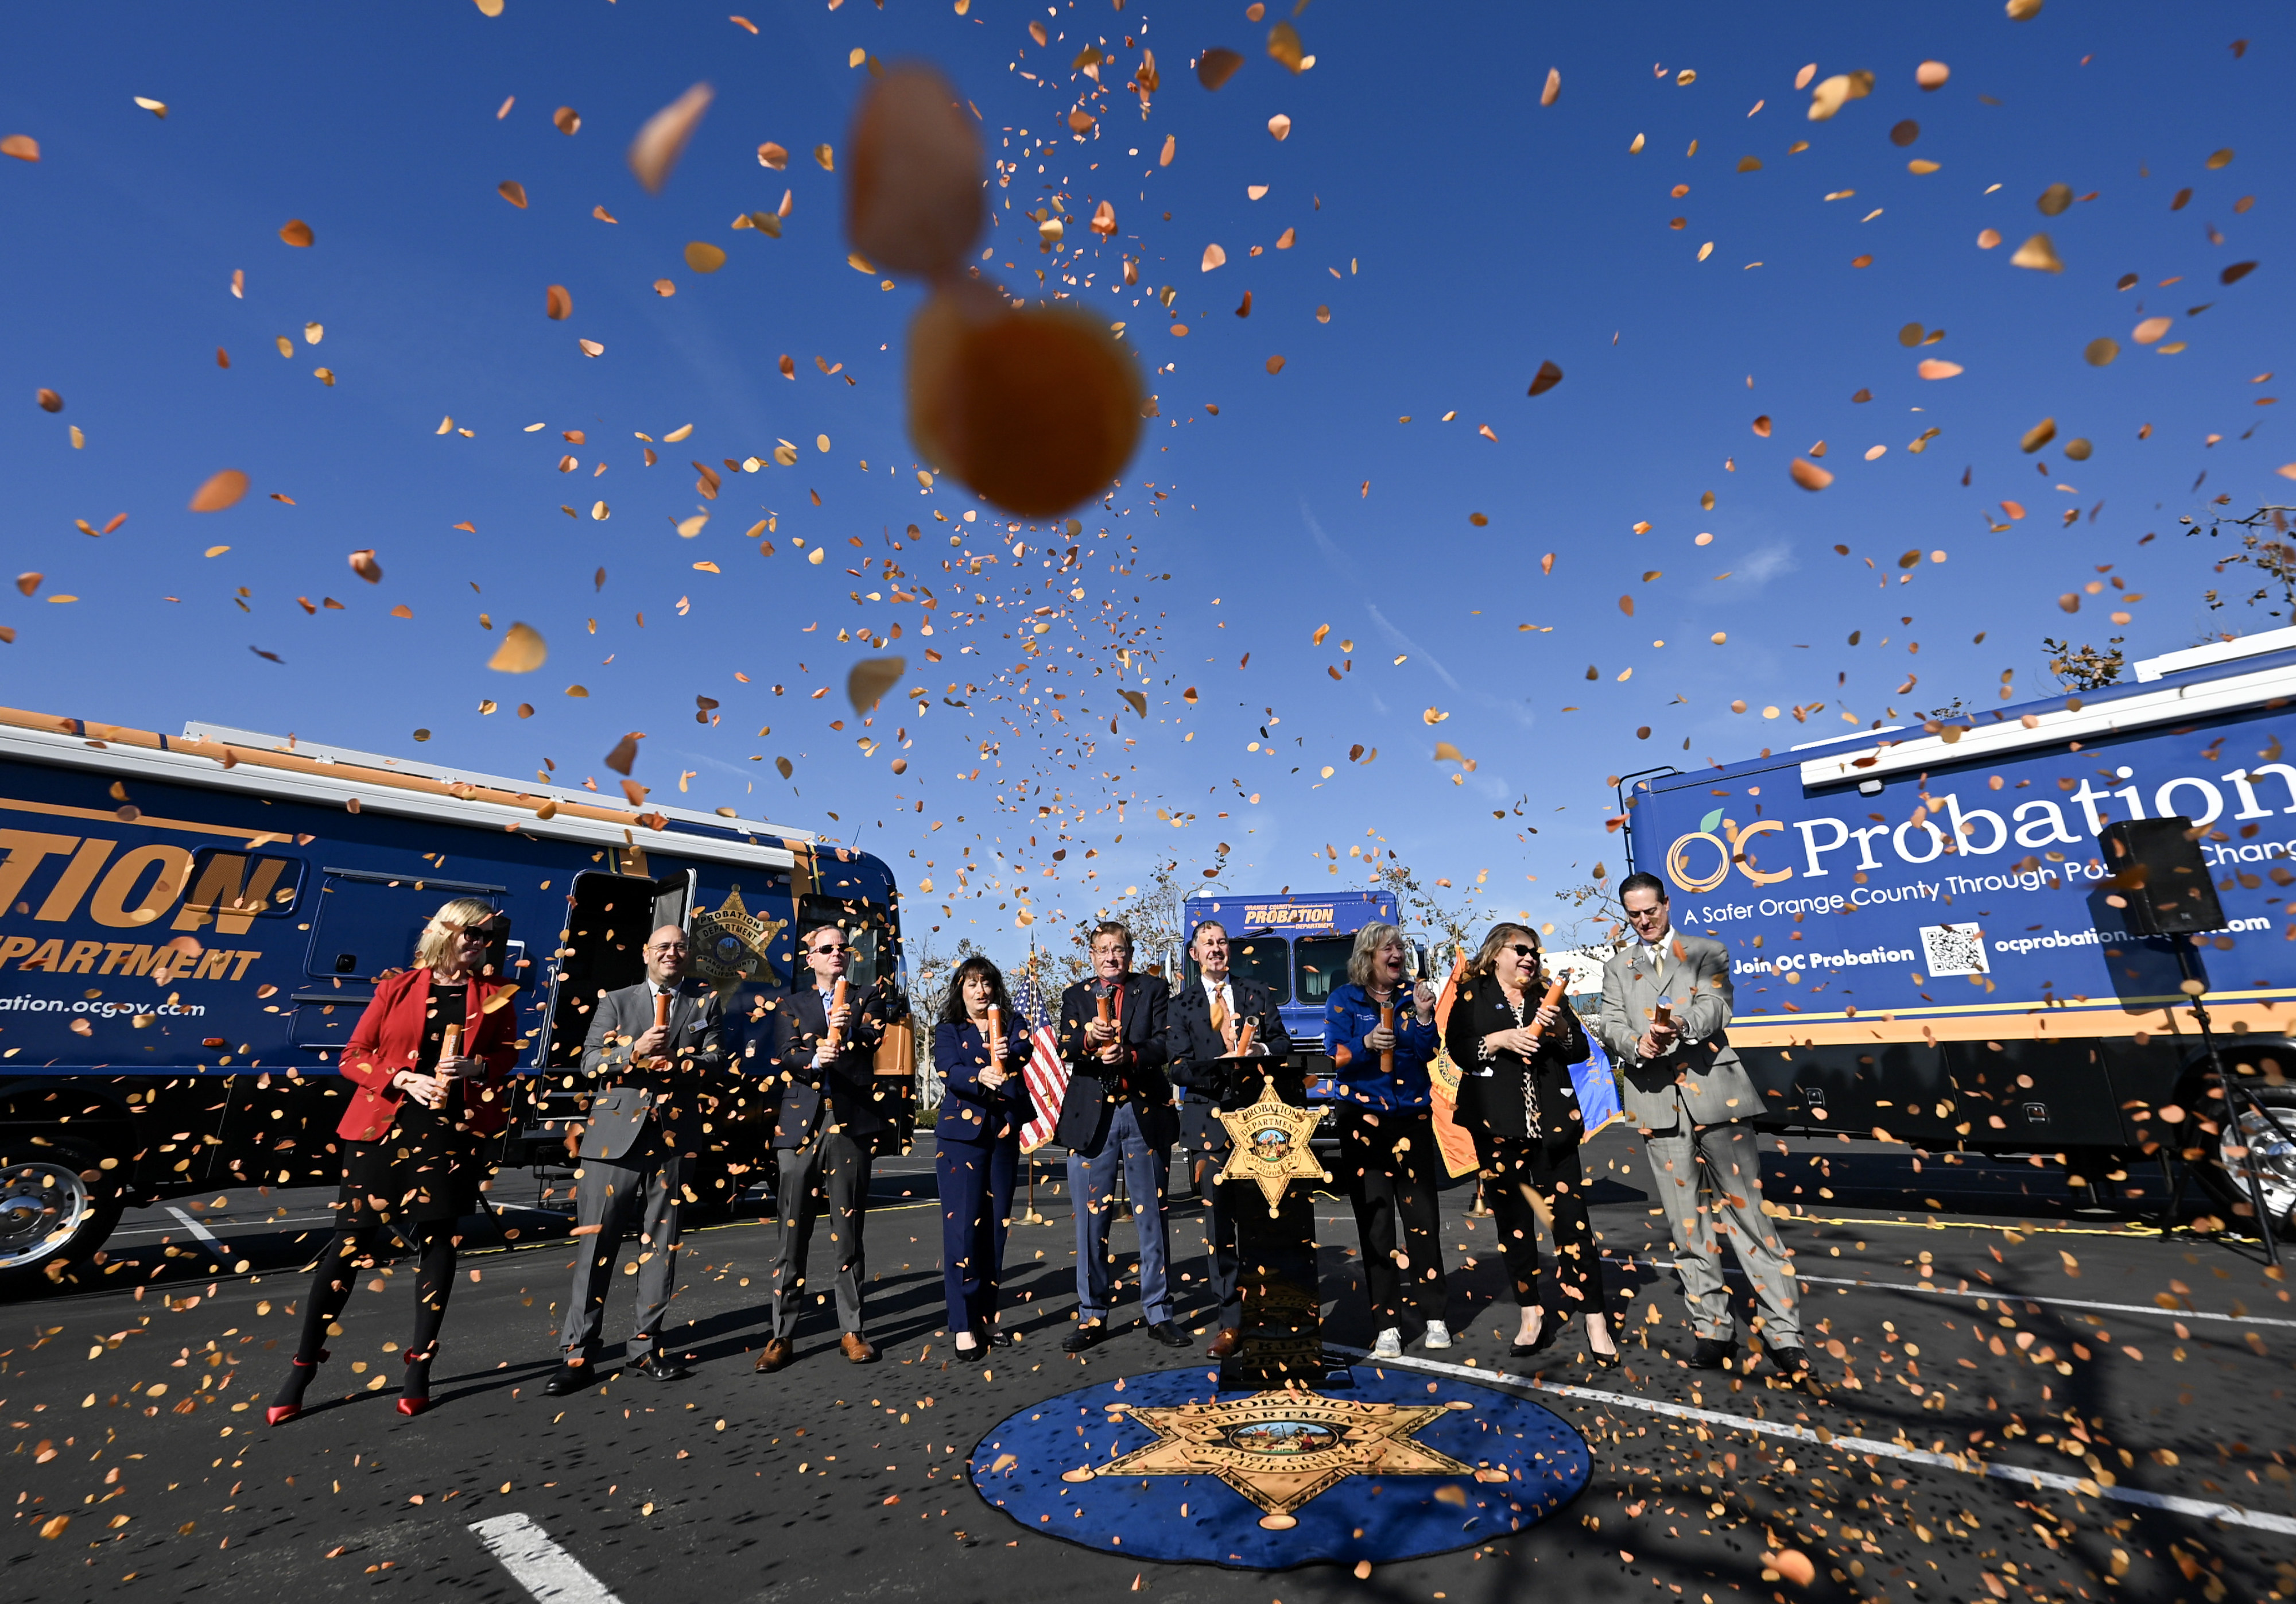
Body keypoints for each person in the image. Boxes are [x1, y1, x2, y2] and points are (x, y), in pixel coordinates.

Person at [267, 899, 517, 1423]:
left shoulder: (496, 994)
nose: (480, 943)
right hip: (382, 1126)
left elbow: (507, 1055)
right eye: (472, 933)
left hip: (450, 1131)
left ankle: (419, 1365)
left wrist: (477, 1067)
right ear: (444, 931)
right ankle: (303, 1366)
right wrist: (402, 1078)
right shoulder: (396, 988)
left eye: (488, 936)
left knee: (438, 1241)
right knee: (351, 1242)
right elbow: (353, 1056)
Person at [1597, 872, 1809, 1378]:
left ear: (1667, 904)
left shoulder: (1707, 951)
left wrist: (1679, 1026)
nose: (1644, 921)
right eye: (1634, 915)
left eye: (1650, 911)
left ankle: (1785, 1335)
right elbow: (1609, 1023)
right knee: (1686, 1226)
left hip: (1718, 1096)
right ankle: (1713, 1329)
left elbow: (1716, 1006)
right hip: (1657, 1104)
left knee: (1750, 1219)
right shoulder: (1617, 967)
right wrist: (1634, 1044)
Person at [545, 924, 726, 1394]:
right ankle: (578, 1353)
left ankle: (645, 1348)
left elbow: (716, 1063)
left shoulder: (704, 1004)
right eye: (663, 946)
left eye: (680, 947)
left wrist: (679, 1062)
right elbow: (590, 1063)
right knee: (597, 1247)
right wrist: (634, 1051)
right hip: (613, 1141)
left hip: (673, 1140)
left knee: (661, 1247)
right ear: (646, 953)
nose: (672, 953)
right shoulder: (616, 1002)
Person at [1444, 924, 1619, 1368]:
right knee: (1514, 1223)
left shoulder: (1547, 994)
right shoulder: (1472, 995)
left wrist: (1558, 1027)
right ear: (1495, 953)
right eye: (1520, 949)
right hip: (1496, 1126)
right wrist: (1499, 1040)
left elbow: (1579, 1050)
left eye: (1534, 952)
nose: (1529, 957)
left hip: (1553, 1127)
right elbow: (1458, 1050)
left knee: (1572, 1222)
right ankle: (1530, 1312)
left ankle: (1595, 1316)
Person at [756, 919, 892, 1370]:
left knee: (847, 1234)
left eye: (843, 948)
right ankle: (782, 1335)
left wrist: (847, 1033)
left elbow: (872, 1038)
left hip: (850, 1125)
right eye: (828, 948)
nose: (838, 954)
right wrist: (815, 1058)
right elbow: (787, 1053)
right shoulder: (791, 1004)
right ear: (810, 957)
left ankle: (852, 1330)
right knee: (792, 1235)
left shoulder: (867, 997)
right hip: (800, 1129)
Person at [1055, 921, 1189, 1352]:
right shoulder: (1075, 996)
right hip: (1092, 1121)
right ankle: (1092, 1314)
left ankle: (1158, 1312)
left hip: (1142, 1113)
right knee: (1091, 1224)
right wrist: (1087, 1040)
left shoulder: (1153, 990)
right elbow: (1063, 1046)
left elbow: (1166, 1044)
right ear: (1092, 955)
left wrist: (1129, 1054)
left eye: (1119, 949)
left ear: (1129, 955)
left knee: (1152, 1220)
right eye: (1104, 950)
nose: (1111, 957)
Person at [1322, 921, 1452, 1359]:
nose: (1397, 954)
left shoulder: (1412, 996)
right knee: (1376, 1225)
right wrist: (1365, 1043)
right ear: (1368, 956)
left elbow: (1428, 1051)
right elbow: (1335, 1057)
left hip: (1411, 1120)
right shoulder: (1343, 999)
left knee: (1423, 1219)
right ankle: (1388, 1325)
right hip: (1362, 1122)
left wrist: (1424, 1017)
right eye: (1388, 948)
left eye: (1399, 947)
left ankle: (1435, 1315)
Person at [1163, 919, 1290, 1357]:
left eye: (1222, 942)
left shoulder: (1257, 992)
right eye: (1208, 944)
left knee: (1263, 1221)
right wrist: (1221, 1065)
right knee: (1220, 1229)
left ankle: (1269, 1310)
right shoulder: (1180, 1006)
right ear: (1194, 953)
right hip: (1209, 1128)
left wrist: (1261, 1052)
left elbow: (1283, 1044)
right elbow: (1177, 1067)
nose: (1216, 949)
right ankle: (1231, 1320)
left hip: (1261, 1126)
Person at [932, 956, 1035, 1356]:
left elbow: (1025, 1048)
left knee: (995, 1229)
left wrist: (1008, 1053)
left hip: (1003, 1134)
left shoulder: (1011, 1022)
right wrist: (978, 1076)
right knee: (963, 1231)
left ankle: (989, 1316)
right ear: (960, 989)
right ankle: (962, 1324)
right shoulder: (948, 1029)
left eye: (987, 983)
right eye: (972, 984)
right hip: (961, 1138)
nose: (981, 991)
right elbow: (947, 1069)